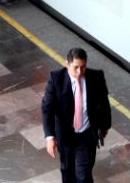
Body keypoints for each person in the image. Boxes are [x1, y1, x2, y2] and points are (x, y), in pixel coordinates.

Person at [42, 47, 111, 183]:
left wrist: (105, 125)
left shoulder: (96, 77)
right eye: (76, 67)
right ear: (67, 64)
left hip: (86, 135)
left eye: (83, 67)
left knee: (84, 175)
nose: (80, 72)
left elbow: (104, 103)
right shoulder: (56, 79)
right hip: (65, 135)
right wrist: (50, 137)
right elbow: (47, 109)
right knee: (68, 173)